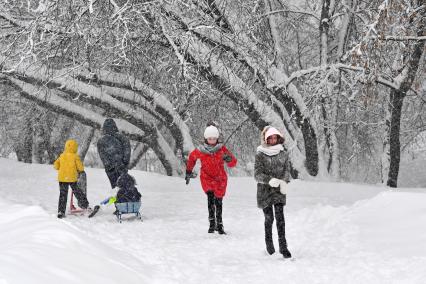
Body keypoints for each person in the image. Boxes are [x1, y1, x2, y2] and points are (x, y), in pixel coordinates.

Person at [186, 123, 237, 234]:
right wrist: (188, 171)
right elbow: (191, 158)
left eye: (214, 138)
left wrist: (229, 159)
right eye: (210, 138)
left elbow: (233, 163)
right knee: (210, 199)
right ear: (206, 139)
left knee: (219, 202)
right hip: (207, 178)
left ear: (217, 138)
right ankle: (211, 223)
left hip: (220, 179)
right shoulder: (200, 150)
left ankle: (220, 224)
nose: (212, 140)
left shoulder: (222, 149)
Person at [254, 126, 292, 258]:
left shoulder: (283, 153)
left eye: (275, 137)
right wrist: (269, 180)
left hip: (279, 191)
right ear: (266, 139)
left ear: (278, 138)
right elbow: (257, 174)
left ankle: (283, 247)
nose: (273, 140)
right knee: (269, 218)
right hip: (264, 191)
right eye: (270, 138)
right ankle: (269, 246)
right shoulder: (260, 153)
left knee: (280, 219)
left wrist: (284, 182)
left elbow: (287, 171)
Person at [54, 139, 90, 218]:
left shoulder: (62, 155)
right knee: (77, 192)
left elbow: (56, 166)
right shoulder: (75, 156)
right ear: (75, 148)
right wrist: (79, 170)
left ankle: (61, 211)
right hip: (72, 178)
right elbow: (80, 168)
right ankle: (85, 205)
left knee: (63, 195)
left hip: (62, 178)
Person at [97, 118, 131, 189]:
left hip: (110, 168)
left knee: (115, 186)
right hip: (121, 166)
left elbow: (102, 155)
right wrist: (125, 162)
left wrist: (108, 165)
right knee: (124, 185)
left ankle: (118, 197)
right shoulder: (122, 137)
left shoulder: (101, 141)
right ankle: (126, 198)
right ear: (115, 126)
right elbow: (127, 150)